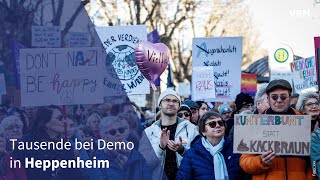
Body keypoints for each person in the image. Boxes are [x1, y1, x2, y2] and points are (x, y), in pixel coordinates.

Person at [240, 79, 314, 180]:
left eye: (283, 97)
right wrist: (261, 161)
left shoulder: (303, 122)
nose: (279, 100)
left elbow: (312, 159)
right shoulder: (256, 123)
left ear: (290, 98)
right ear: (268, 99)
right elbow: (244, 162)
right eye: (274, 97)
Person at [139, 89, 198, 180]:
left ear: (179, 106)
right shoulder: (149, 132)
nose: (171, 103)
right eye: (167, 100)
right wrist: (160, 147)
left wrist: (182, 150)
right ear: (160, 105)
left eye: (175, 101)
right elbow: (143, 164)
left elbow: (199, 159)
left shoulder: (191, 129)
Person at [176, 112, 247, 180]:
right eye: (212, 124)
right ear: (203, 131)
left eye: (220, 123)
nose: (218, 125)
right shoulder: (192, 154)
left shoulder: (235, 149)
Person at [96, 115, 151, 179]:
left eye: (121, 130)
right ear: (104, 137)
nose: (118, 134)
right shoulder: (99, 161)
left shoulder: (137, 156)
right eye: (112, 132)